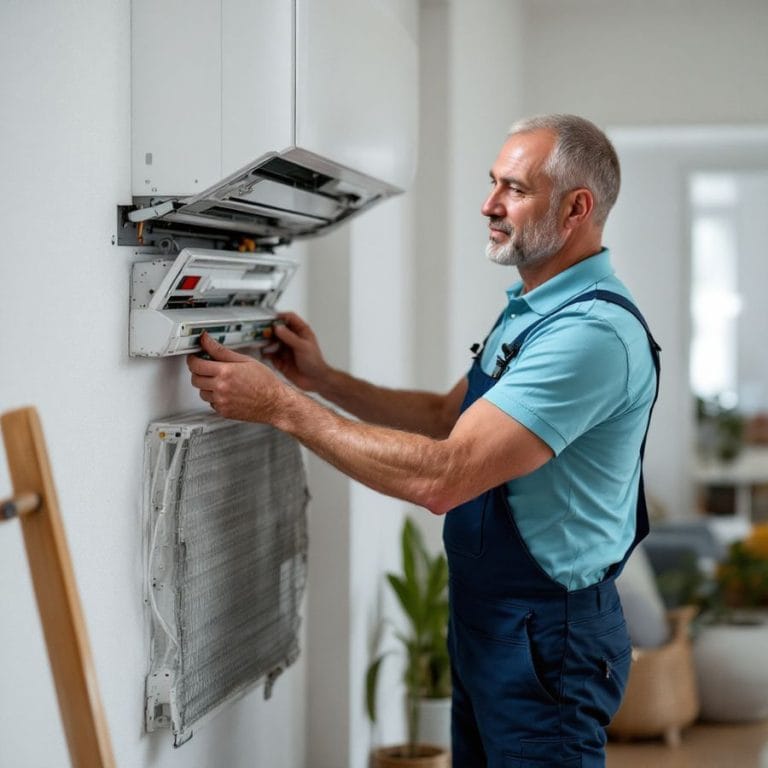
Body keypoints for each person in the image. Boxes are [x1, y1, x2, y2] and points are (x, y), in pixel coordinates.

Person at [187, 113, 660, 767]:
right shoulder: (534, 308)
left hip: (549, 635)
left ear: (577, 207)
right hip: (490, 619)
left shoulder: (589, 335)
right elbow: (448, 415)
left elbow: (446, 476)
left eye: (514, 189)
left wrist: (284, 408)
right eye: (494, 182)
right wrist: (323, 380)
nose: (488, 204)